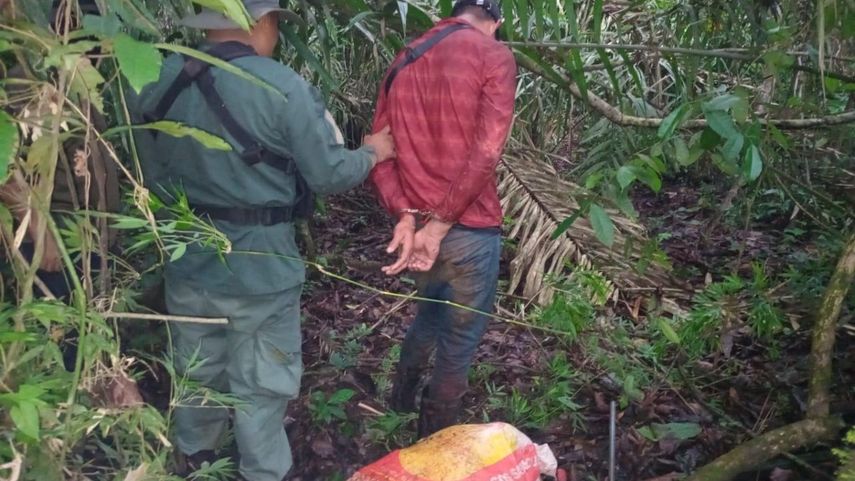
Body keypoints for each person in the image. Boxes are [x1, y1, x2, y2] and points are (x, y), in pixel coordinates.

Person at [130, 1, 395, 479]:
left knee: (194, 371)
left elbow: (148, 173)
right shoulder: (282, 86)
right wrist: (372, 153)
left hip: (187, 255)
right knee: (261, 384)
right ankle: (263, 473)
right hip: (262, 267)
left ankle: (197, 461)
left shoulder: (155, 75)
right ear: (262, 23)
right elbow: (329, 174)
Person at [369, 0, 516, 437]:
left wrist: (406, 217)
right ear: (496, 21)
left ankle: (397, 406)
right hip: (469, 232)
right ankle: (433, 441)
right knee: (458, 344)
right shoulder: (494, 55)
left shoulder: (406, 55)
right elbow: (487, 152)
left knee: (428, 316)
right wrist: (438, 226)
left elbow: (377, 149)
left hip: (420, 235)